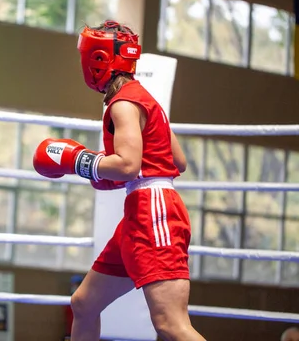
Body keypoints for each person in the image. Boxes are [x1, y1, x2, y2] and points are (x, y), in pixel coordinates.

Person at [32, 20, 205, 341]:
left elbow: (127, 165)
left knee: (171, 324)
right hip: (140, 212)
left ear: (98, 59)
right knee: (83, 304)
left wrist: (80, 161)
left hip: (154, 213)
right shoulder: (142, 98)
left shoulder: (124, 103)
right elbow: (175, 160)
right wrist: (104, 170)